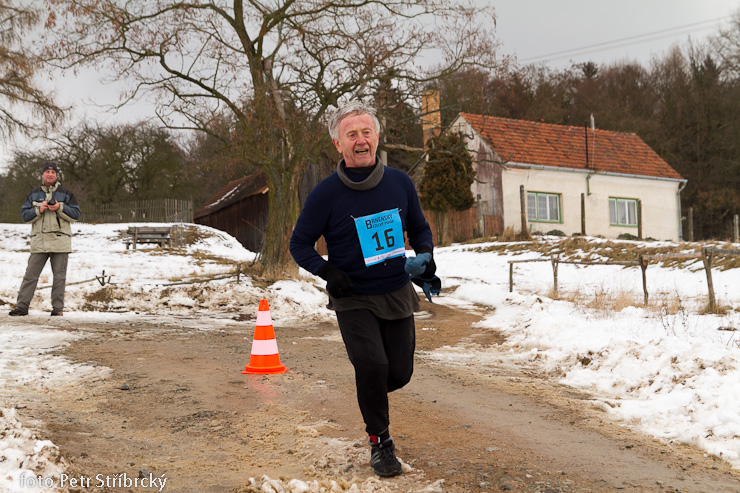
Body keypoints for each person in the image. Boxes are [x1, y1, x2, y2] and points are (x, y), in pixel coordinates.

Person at [289, 100, 436, 478]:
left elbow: (419, 228)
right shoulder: (326, 194)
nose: (360, 140)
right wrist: (327, 270)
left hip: (396, 290)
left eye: (365, 132)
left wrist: (426, 255)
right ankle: (380, 442)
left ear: (377, 136)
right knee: (372, 365)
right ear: (338, 144)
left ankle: (369, 389)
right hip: (352, 295)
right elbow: (299, 243)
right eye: (351, 134)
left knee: (398, 373)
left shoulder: (400, 183)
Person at [9, 162, 81, 317]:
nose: (50, 174)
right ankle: (22, 307)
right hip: (39, 242)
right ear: (42, 175)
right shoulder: (33, 194)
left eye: (53, 172)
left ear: (56, 175)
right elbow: (24, 216)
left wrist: (59, 208)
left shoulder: (66, 194)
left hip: (60, 242)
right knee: (30, 276)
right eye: (47, 172)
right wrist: (39, 209)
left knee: (59, 278)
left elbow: (76, 215)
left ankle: (57, 309)